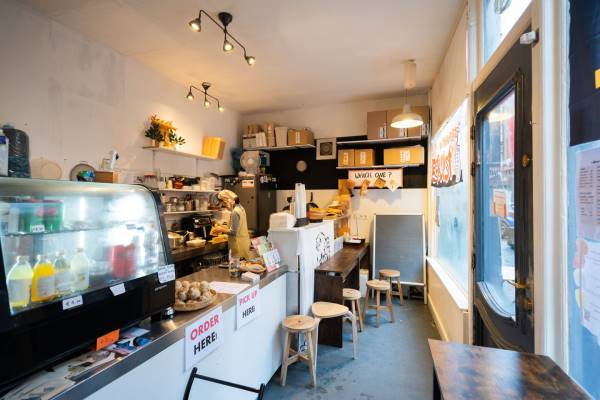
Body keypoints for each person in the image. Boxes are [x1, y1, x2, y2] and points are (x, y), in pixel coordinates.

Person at [212, 189, 253, 259]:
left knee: (237, 264)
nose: (225, 206)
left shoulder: (235, 212)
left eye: (224, 204)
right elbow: (237, 227)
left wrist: (221, 229)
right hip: (243, 242)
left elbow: (233, 232)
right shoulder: (241, 208)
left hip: (237, 245)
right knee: (244, 263)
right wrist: (223, 227)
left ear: (228, 200)